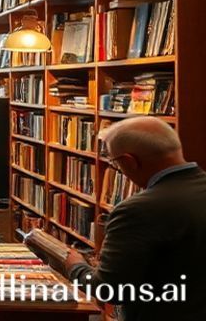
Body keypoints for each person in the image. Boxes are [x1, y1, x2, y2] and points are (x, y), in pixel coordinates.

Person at [64, 117, 206, 320]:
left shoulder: (137, 210)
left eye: (115, 163)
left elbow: (109, 291)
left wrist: (76, 266)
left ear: (130, 161)